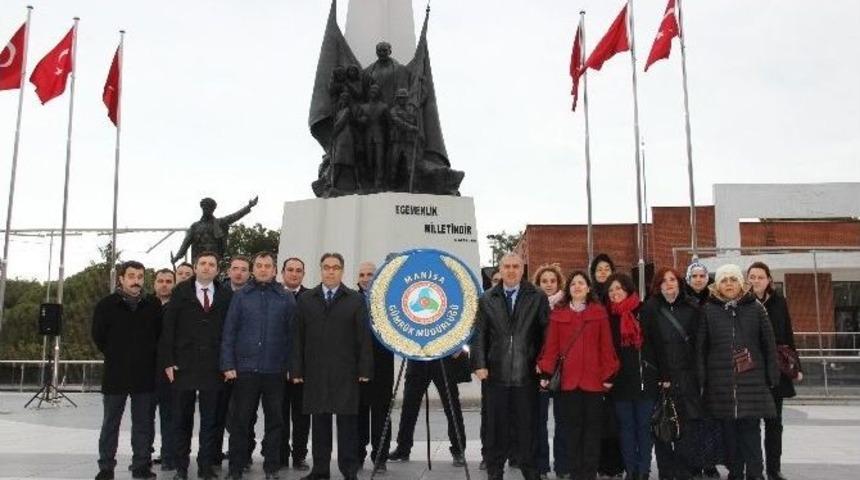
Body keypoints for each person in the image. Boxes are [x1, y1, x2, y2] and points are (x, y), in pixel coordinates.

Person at [291, 253, 374, 480]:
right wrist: (296, 369)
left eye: (335, 267)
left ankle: (349, 471)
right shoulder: (306, 299)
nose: (330, 271)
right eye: (326, 267)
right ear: (321, 270)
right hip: (315, 372)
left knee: (347, 426)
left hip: (346, 373)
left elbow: (363, 338)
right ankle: (320, 470)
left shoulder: (355, 299)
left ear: (342, 271)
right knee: (320, 425)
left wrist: (365, 369)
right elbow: (297, 337)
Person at [471, 252, 549, 480]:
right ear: (500, 270)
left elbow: (547, 333)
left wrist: (544, 365)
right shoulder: (487, 298)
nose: (512, 271)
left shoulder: (537, 296)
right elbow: (479, 334)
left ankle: (531, 473)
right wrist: (479, 363)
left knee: (527, 430)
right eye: (507, 267)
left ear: (523, 270)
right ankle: (494, 472)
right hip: (495, 376)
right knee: (495, 430)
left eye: (516, 266)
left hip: (527, 376)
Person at [697, 264, 779, 480]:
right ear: (717, 285)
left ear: (741, 283)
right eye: (724, 280)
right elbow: (701, 348)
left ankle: (755, 474)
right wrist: (702, 378)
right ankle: (735, 473)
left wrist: (772, 375)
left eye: (733, 279)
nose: (729, 284)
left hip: (752, 382)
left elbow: (769, 343)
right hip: (721, 384)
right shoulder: (708, 310)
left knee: (751, 432)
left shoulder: (756, 308)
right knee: (729, 435)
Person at [221, 251, 296, 480]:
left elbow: (293, 336)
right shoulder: (241, 296)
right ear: (254, 270)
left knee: (275, 422)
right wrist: (227, 363)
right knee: (240, 421)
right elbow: (229, 332)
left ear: (274, 271)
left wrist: (292, 367)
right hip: (245, 370)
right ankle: (235, 468)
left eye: (268, 266)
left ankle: (271, 468)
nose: (263, 269)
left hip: (275, 371)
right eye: (260, 265)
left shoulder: (286, 298)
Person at [537, 270, 619, 480]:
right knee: (571, 431)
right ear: (568, 289)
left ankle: (589, 474)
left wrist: (609, 375)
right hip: (568, 383)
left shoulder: (599, 313)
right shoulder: (559, 314)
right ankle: (575, 473)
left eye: (581, 283)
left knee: (592, 431)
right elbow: (551, 347)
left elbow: (606, 346)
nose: (577, 287)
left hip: (594, 382)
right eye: (573, 284)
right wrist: (546, 371)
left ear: (588, 288)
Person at [159, 252, 232, 480]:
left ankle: (205, 466)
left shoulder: (225, 294)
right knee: (182, 419)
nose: (207, 267)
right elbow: (168, 328)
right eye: (203, 263)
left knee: (211, 421)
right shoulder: (180, 291)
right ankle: (181, 467)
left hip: (214, 366)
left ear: (217, 270)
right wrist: (168, 361)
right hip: (184, 366)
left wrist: (228, 363)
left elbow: (230, 331)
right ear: (196, 266)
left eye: (212, 264)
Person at [92, 261, 162, 480]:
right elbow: (98, 336)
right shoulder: (106, 305)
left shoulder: (153, 305)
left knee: (143, 424)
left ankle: (141, 465)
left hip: (145, 374)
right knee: (110, 423)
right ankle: (106, 467)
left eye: (140, 277)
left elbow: (159, 335)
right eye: (131, 276)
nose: (136, 281)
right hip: (116, 374)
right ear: (121, 279)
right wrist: (116, 354)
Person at [640, 267, 703, 480]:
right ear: (657, 286)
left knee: (687, 426)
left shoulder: (692, 308)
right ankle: (666, 472)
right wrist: (660, 375)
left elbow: (699, 343)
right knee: (663, 425)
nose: (669, 284)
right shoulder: (650, 309)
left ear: (679, 283)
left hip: (687, 376)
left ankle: (684, 472)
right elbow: (647, 345)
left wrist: (698, 374)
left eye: (672, 280)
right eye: (664, 281)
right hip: (661, 378)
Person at [747, 262, 802, 480]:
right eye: (752, 277)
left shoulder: (780, 302)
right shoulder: (743, 302)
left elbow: (788, 335)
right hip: (750, 371)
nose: (756, 281)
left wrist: (797, 366)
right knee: (750, 424)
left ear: (769, 279)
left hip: (776, 370)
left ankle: (773, 469)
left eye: (760, 277)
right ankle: (753, 469)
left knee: (774, 423)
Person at [605, 273, 657, 480]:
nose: (614, 293)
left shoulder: (645, 310)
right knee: (626, 429)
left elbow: (657, 343)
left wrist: (660, 373)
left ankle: (643, 470)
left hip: (645, 380)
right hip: (619, 383)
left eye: (618, 288)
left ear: (627, 289)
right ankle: (631, 469)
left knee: (644, 428)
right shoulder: (608, 316)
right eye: (611, 290)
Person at [388, 352, 469, 467]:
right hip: (417, 358)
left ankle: (459, 450)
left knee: (452, 408)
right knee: (409, 407)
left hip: (443, 357)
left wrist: (458, 348)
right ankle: (403, 448)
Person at [355, 261, 395, 470]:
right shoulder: (351, 299)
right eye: (362, 274)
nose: (365, 278)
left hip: (382, 365)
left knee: (381, 413)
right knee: (358, 413)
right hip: (357, 366)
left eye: (370, 274)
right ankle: (357, 455)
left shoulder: (388, 300)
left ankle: (380, 458)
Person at [532, 264, 569, 480]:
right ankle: (541, 466)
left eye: (552, 281)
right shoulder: (531, 305)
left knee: (563, 420)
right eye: (544, 281)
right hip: (539, 370)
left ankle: (563, 466)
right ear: (538, 284)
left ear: (559, 283)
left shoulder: (566, 307)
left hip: (563, 371)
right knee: (539, 421)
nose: (548, 285)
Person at [280, 257, 311, 470]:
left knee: (301, 417)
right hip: (277, 368)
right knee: (278, 415)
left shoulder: (311, 298)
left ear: (303, 274)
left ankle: (299, 455)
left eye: (298, 270)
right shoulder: (274, 295)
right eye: (290, 270)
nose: (294, 273)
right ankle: (280, 455)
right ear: (282, 273)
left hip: (303, 369)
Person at [151, 269, 177, 472]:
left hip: (169, 371)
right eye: (160, 281)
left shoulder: (179, 308)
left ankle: (169, 456)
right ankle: (143, 456)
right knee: (144, 418)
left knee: (169, 417)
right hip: (146, 370)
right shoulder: (145, 306)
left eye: (169, 281)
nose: (164, 284)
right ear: (154, 284)